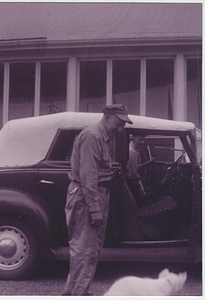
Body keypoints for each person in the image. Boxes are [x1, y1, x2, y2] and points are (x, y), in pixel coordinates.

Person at [63, 104, 133, 296]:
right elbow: (88, 175)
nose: (120, 129)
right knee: (85, 249)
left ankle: (77, 291)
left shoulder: (103, 137)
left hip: (94, 195)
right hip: (86, 197)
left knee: (89, 249)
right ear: (106, 117)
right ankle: (76, 294)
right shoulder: (93, 136)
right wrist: (94, 208)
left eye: (122, 126)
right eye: (118, 124)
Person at [126, 134, 155, 206]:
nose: (142, 142)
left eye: (144, 140)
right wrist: (148, 163)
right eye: (140, 139)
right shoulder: (131, 152)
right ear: (133, 139)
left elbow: (135, 168)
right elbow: (133, 172)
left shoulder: (135, 150)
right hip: (133, 182)